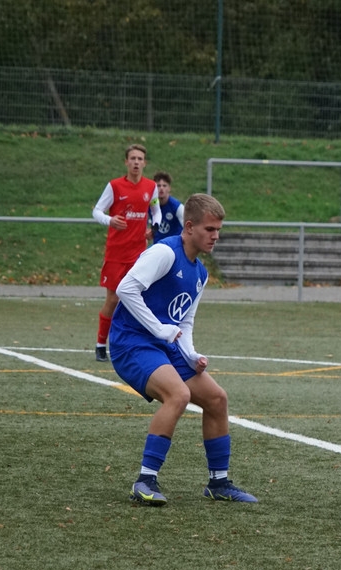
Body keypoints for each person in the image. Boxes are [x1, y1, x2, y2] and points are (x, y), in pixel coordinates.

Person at [110, 193, 257, 506]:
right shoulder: (164, 253)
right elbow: (125, 288)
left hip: (164, 345)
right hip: (131, 341)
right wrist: (160, 329)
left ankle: (218, 483)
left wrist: (191, 354)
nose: (215, 236)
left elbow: (184, 321)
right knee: (179, 394)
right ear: (189, 227)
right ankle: (145, 481)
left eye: (218, 230)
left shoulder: (200, 273)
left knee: (217, 398)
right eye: (209, 229)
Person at [91, 144, 161, 362]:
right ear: (126, 162)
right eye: (133, 158)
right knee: (113, 299)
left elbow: (156, 211)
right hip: (116, 253)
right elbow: (96, 211)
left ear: (145, 163)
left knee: (137, 299)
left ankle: (133, 344)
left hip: (139, 255)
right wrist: (110, 220)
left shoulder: (151, 187)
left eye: (140, 158)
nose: (136, 162)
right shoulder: (114, 186)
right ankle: (100, 344)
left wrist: (154, 227)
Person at [152, 171, 184, 243]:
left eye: (164, 186)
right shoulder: (151, 205)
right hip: (158, 245)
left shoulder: (177, 207)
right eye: (158, 185)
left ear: (169, 188)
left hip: (174, 245)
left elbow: (188, 226)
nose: (161, 188)